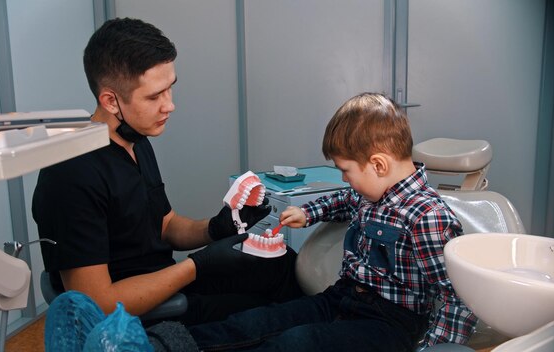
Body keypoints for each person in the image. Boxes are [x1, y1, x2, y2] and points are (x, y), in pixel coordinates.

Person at [32, 17, 302, 327]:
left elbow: (164, 225)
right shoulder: (71, 174)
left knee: (282, 265)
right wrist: (198, 265)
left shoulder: (134, 139)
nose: (169, 106)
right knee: (280, 317)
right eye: (154, 96)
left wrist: (216, 228)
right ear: (111, 101)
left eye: (169, 90)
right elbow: (98, 304)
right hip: (138, 320)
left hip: (164, 285)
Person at [181, 92, 478, 351]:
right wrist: (307, 212)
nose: (344, 179)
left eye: (346, 171)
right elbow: (343, 200)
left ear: (378, 164)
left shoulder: (428, 217)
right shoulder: (371, 194)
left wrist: (432, 350)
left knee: (292, 344)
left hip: (389, 324)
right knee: (254, 323)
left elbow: (458, 299)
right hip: (342, 297)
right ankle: (165, 344)